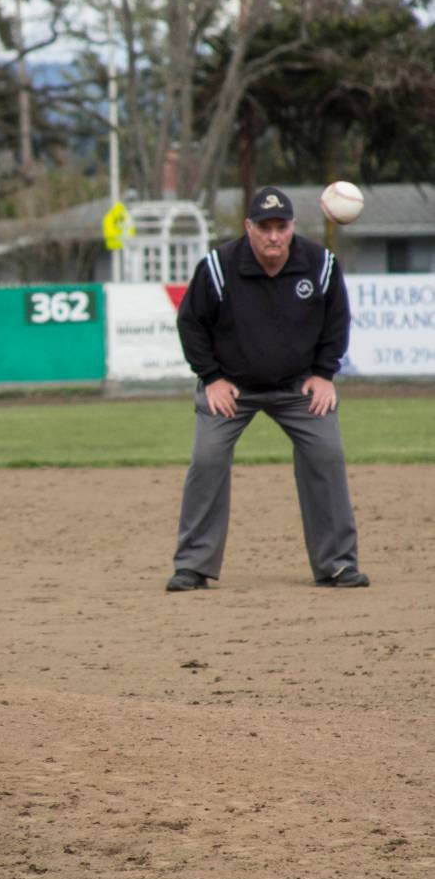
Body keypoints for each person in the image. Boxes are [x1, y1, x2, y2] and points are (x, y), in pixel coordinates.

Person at [165, 185, 369, 593]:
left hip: (298, 387)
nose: (273, 236)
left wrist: (324, 373)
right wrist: (211, 378)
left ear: (293, 226)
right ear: (248, 227)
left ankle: (337, 565)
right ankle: (193, 565)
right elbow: (191, 323)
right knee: (207, 460)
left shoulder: (321, 264)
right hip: (232, 387)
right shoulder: (219, 266)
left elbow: (337, 321)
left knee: (326, 454)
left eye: (281, 226)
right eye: (264, 227)